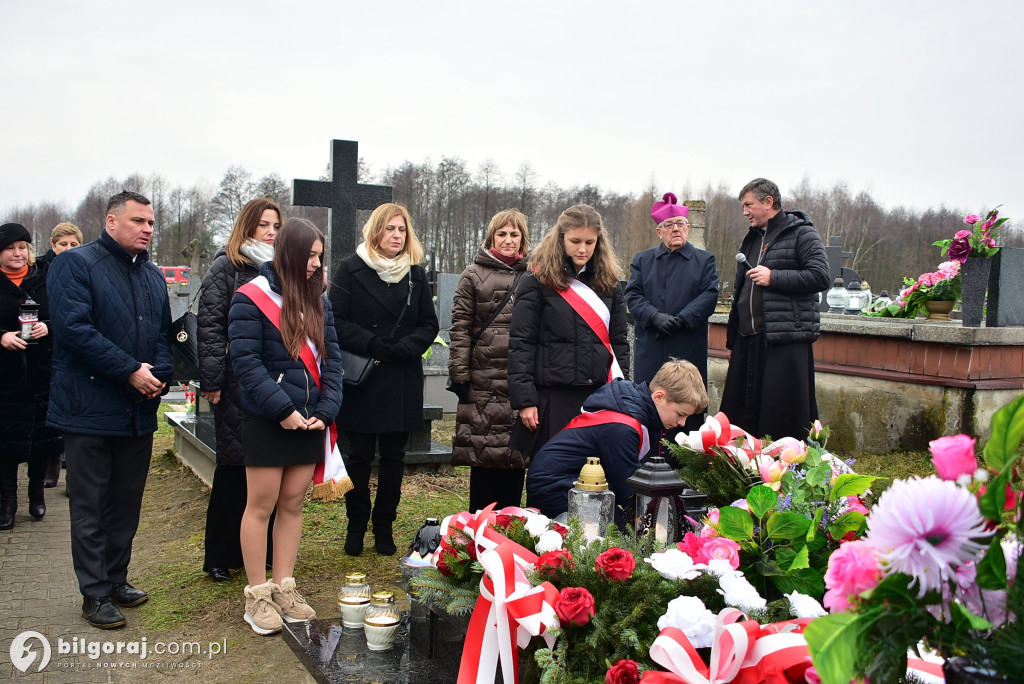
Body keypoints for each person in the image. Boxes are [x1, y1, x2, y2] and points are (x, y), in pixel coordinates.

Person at [47, 191, 174, 629]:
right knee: (91, 505)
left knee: (126, 502)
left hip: (136, 411)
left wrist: (159, 374)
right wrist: (129, 371)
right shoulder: (77, 264)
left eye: (152, 223)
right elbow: (73, 330)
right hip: (88, 408)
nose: (147, 229)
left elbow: (162, 334)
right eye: (139, 221)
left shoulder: (153, 276)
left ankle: (117, 578)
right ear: (111, 221)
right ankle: (94, 593)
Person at [228, 217, 343, 636]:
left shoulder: (320, 301)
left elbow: (332, 364)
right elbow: (246, 364)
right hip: (268, 419)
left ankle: (285, 587)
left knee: (293, 504)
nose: (316, 263)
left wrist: (327, 409)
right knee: (261, 505)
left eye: (319, 255)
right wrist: (282, 409)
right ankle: (257, 594)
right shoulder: (249, 298)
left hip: (309, 422)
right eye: (310, 255)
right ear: (289, 254)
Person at [330, 203, 439, 557]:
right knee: (359, 456)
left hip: (401, 375)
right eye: (390, 229)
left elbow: (429, 323)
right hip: (364, 375)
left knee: (394, 457)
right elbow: (336, 321)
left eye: (402, 230)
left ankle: (384, 526)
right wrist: (374, 343)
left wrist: (408, 346)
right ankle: (356, 525)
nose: (397, 236)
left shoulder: (416, 274)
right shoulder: (349, 269)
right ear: (375, 231)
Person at [198, 197, 281, 582]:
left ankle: (260, 550)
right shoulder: (227, 267)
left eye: (276, 226)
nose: (271, 232)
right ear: (247, 226)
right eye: (264, 225)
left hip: (274, 381)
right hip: (234, 382)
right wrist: (213, 381)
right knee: (233, 469)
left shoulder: (282, 270)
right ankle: (219, 554)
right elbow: (211, 327)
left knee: (268, 467)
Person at [508, 203, 629, 461]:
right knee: (550, 473)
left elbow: (619, 343)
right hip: (552, 397)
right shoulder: (537, 281)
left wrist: (621, 392)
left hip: (598, 396)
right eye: (575, 241)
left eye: (590, 242)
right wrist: (525, 400)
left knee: (593, 475)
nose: (583, 249)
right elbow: (521, 344)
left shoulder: (609, 283)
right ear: (560, 238)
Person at [525, 359, 707, 520]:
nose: (682, 423)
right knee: (626, 532)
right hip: (555, 488)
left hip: (570, 482)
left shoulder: (633, 410)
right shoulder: (623, 428)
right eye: (680, 414)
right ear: (659, 397)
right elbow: (629, 490)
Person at [719, 178, 830, 440]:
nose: (745, 212)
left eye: (749, 205)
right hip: (748, 342)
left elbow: (820, 276)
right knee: (741, 418)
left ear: (768, 202)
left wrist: (774, 277)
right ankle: (741, 470)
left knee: (780, 418)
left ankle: (784, 471)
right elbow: (741, 294)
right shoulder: (751, 239)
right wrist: (733, 341)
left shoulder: (802, 233)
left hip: (783, 341)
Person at [448, 209, 531, 511]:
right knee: (482, 455)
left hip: (519, 380)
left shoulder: (534, 275)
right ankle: (478, 528)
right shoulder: (472, 275)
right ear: (491, 237)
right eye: (502, 234)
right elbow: (460, 327)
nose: (508, 240)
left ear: (523, 239)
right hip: (482, 379)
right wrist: (460, 375)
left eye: (514, 234)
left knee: (515, 455)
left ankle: (511, 528)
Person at [625, 193, 718, 434]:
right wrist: (654, 317)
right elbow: (633, 295)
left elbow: (709, 295)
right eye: (669, 225)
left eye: (680, 224)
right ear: (659, 231)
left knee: (687, 405)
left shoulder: (705, 260)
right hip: (652, 347)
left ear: (688, 228)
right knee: (648, 406)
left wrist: (682, 320)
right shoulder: (643, 261)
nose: (675, 229)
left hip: (686, 344)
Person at [0, 223, 62, 529]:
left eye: (22, 247)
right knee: (6, 441)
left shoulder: (45, 278)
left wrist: (48, 326)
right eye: (10, 248)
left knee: (42, 437)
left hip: (42, 370)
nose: (17, 253)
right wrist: (1, 336)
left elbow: (65, 314)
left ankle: (36, 493)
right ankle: (7, 501)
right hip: (6, 376)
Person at [38, 222, 84, 487]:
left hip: (72, 347)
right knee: (50, 413)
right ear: (53, 245)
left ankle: (72, 476)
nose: (67, 249)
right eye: (62, 244)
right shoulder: (42, 272)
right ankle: (50, 468)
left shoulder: (85, 269)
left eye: (73, 244)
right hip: (46, 347)